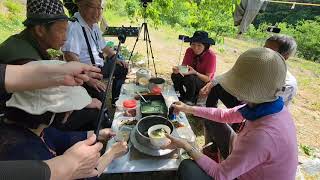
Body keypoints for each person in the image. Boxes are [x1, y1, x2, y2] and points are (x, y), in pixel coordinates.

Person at [164, 48, 298, 180]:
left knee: (188, 168)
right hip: (242, 152)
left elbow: (220, 174)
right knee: (211, 118)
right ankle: (214, 153)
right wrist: (188, 108)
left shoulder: (262, 136)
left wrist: (186, 146)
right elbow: (225, 115)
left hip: (241, 175)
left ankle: (217, 158)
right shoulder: (269, 105)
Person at [0, 61, 128, 177]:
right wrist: (112, 153)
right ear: (50, 113)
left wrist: (98, 134)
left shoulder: (34, 128)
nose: (72, 111)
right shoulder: (27, 154)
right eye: (69, 107)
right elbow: (86, 174)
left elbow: (61, 138)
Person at [0, 0, 108, 131]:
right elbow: (48, 96)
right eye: (61, 31)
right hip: (17, 126)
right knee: (93, 111)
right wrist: (85, 103)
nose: (66, 38)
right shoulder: (23, 57)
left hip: (28, 115)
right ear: (40, 30)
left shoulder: (28, 44)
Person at [199, 35, 298, 159]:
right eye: (264, 48)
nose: (263, 54)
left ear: (285, 57)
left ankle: (225, 149)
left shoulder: (287, 83)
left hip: (255, 112)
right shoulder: (256, 64)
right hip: (243, 101)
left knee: (226, 123)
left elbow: (257, 110)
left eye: (271, 52)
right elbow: (232, 74)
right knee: (216, 92)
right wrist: (212, 83)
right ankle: (213, 140)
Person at [62, 0, 128, 105]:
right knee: (100, 93)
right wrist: (87, 78)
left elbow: (104, 47)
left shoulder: (94, 25)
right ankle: (100, 114)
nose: (97, 12)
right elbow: (70, 56)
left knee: (122, 67)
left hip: (98, 67)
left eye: (99, 8)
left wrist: (115, 57)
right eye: (92, 7)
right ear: (80, 5)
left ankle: (116, 100)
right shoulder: (74, 26)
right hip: (83, 73)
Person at [171, 30, 216, 104]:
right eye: (193, 44)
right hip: (191, 76)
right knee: (175, 75)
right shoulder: (189, 51)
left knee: (190, 78)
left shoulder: (211, 56)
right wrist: (178, 69)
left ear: (205, 46)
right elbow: (184, 67)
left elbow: (207, 79)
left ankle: (189, 100)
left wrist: (195, 72)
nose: (195, 48)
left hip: (203, 82)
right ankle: (180, 95)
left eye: (199, 45)